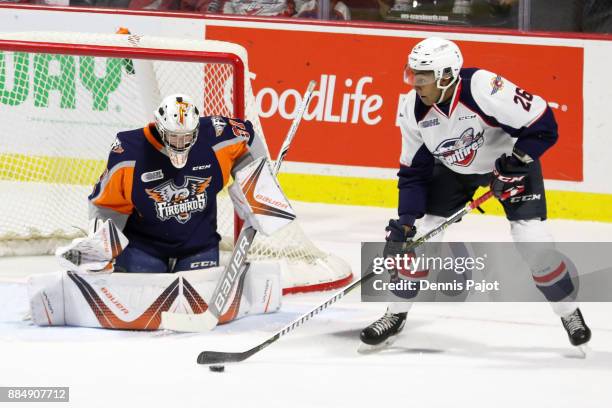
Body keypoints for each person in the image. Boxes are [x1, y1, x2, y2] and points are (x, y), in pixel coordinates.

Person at [359, 37, 591, 351]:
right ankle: (395, 313)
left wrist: (517, 161)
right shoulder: (411, 110)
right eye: (412, 73)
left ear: (445, 76)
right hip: (454, 171)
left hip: (509, 163)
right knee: (419, 239)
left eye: (423, 75)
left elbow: (544, 124)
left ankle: (568, 312)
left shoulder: (482, 87)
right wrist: (405, 222)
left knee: (534, 243)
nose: (415, 82)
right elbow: (414, 172)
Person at [87, 93, 266, 273]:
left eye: (187, 136)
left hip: (199, 247)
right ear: (160, 127)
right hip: (144, 247)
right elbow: (106, 205)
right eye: (173, 136)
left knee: (197, 302)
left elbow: (247, 136)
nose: (180, 143)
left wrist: (259, 185)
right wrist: (101, 249)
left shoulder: (216, 135)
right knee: (141, 301)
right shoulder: (129, 153)